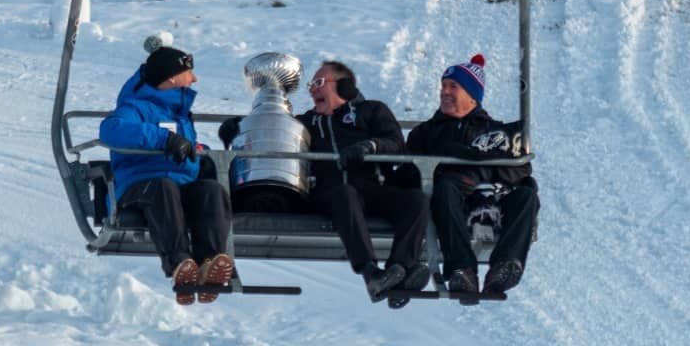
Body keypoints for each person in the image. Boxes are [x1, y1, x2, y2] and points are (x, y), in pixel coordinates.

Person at [222, 60, 430, 307]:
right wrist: (239, 128)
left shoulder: (372, 111)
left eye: (319, 83)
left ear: (344, 87)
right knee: (344, 193)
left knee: (416, 200)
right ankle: (371, 273)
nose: (312, 90)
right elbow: (275, 130)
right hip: (329, 196)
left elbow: (397, 145)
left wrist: (370, 146)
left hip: (375, 189)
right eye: (311, 85)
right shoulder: (305, 123)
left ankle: (399, 268)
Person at [397, 54, 539, 303]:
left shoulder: (495, 132)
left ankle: (504, 266)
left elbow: (519, 172)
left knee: (526, 194)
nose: (445, 92)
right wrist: (454, 161)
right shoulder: (425, 133)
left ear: (473, 96)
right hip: (448, 203)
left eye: (453, 87)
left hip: (487, 201)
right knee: (447, 187)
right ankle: (462, 269)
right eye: (443, 86)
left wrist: (480, 167)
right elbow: (410, 172)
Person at [99, 44, 234, 305]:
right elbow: (111, 129)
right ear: (172, 77)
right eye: (189, 72)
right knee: (163, 187)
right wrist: (164, 139)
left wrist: (201, 150)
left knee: (210, 190)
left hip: (180, 184)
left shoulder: (179, 113)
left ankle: (209, 265)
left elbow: (187, 146)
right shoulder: (135, 107)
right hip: (140, 186)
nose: (194, 79)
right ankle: (179, 263)